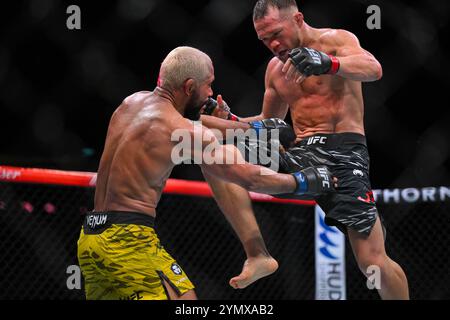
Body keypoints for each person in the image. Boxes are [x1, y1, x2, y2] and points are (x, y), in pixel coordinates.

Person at [77, 46, 334, 300]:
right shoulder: (184, 133)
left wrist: (246, 127)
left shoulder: (132, 102)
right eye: (208, 85)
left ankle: (257, 254)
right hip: (129, 240)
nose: (211, 93)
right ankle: (257, 252)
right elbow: (248, 177)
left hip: (90, 239)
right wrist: (303, 181)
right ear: (189, 87)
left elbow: (194, 121)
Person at [200, 0, 409, 299]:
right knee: (210, 152)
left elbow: (374, 69)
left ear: (297, 19)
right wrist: (228, 120)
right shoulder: (275, 69)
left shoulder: (337, 41)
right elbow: (266, 122)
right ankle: (258, 253)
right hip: (297, 155)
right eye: (263, 39)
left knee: (372, 261)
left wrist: (328, 63)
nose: (272, 44)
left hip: (343, 156)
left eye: (276, 34)